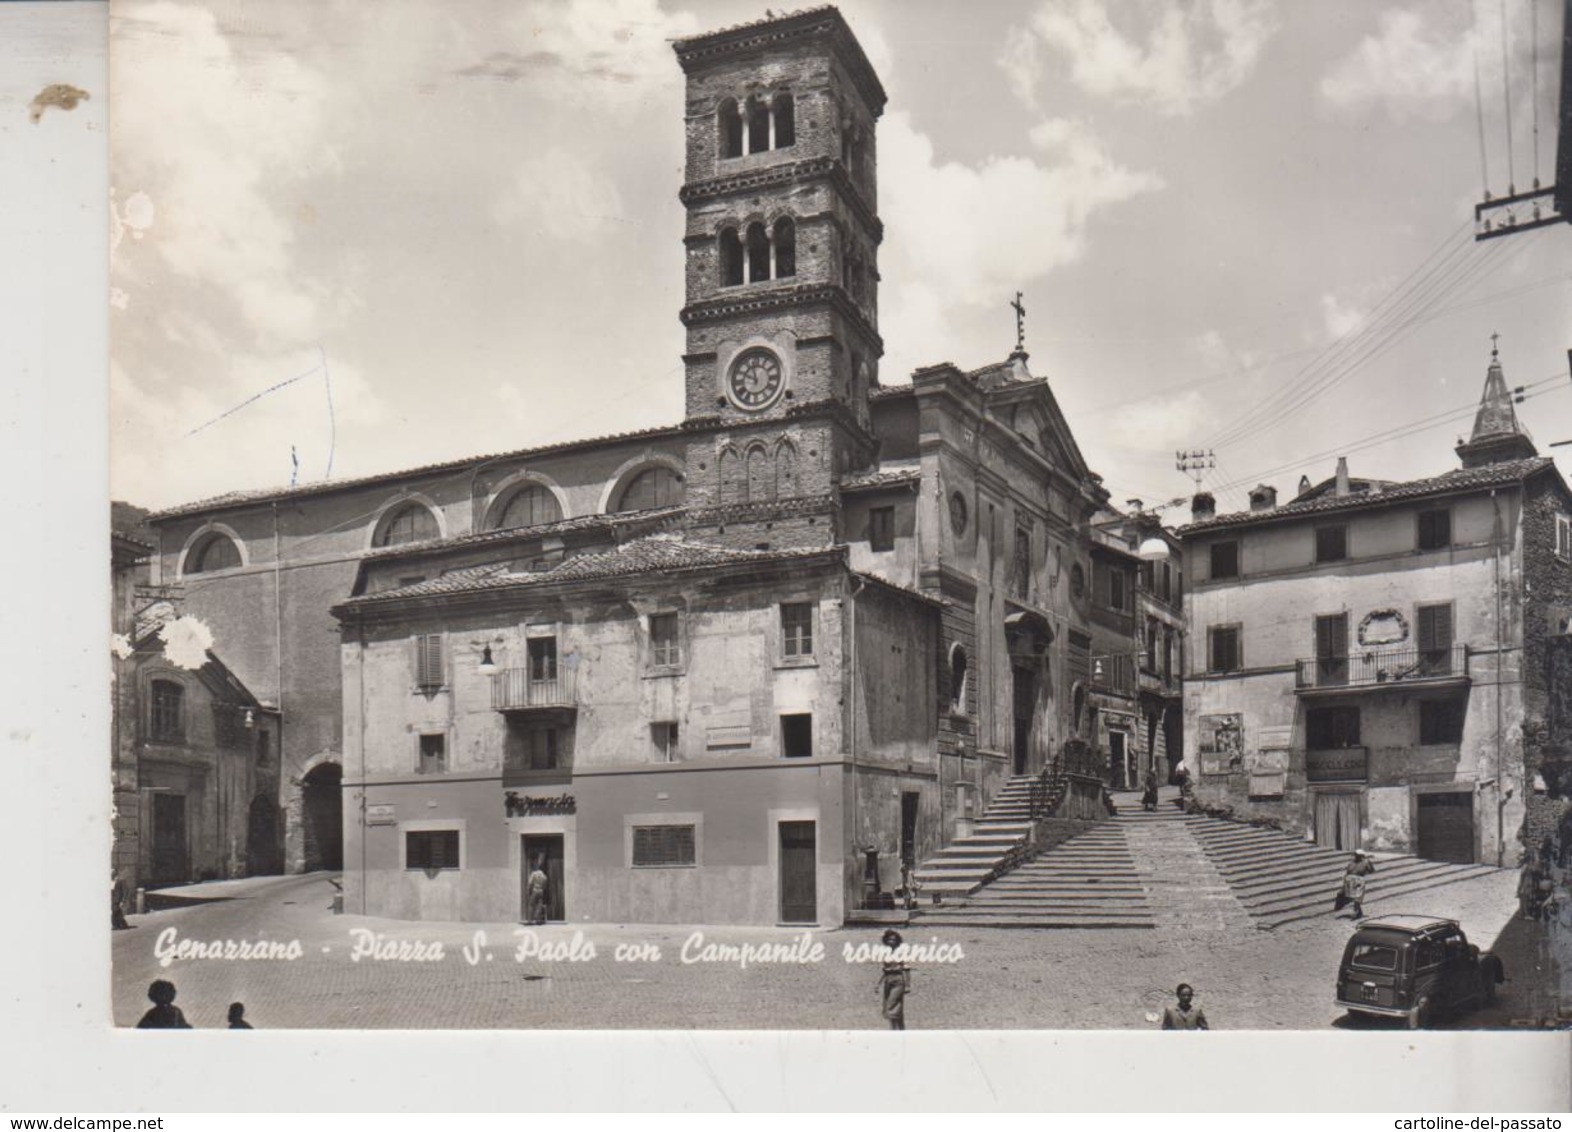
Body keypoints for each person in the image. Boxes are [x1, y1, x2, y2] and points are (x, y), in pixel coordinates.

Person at [877, 928, 910, 1031]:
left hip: (898, 980)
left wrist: (908, 985)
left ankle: (893, 1030)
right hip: (888, 980)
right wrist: (878, 983)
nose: (892, 941)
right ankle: (900, 1028)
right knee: (894, 1006)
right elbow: (885, 970)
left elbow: (906, 969)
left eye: (894, 940)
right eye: (890, 939)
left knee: (891, 1005)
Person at [1334, 850, 1377, 919]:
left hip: (1359, 880)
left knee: (1357, 898)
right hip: (1349, 880)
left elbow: (1372, 870)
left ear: (1362, 856)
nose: (1356, 856)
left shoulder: (1366, 862)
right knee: (1342, 894)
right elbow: (1347, 872)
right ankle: (1356, 911)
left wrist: (1365, 872)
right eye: (1356, 855)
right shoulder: (1351, 863)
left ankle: (1356, 912)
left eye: (1358, 855)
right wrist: (1345, 881)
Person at [526, 857, 549, 925]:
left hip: (535, 890)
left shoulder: (534, 874)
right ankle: (538, 920)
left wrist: (528, 891)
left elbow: (530, 883)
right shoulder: (544, 876)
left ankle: (530, 921)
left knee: (531, 905)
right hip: (541, 891)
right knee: (539, 906)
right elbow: (545, 885)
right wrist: (542, 890)